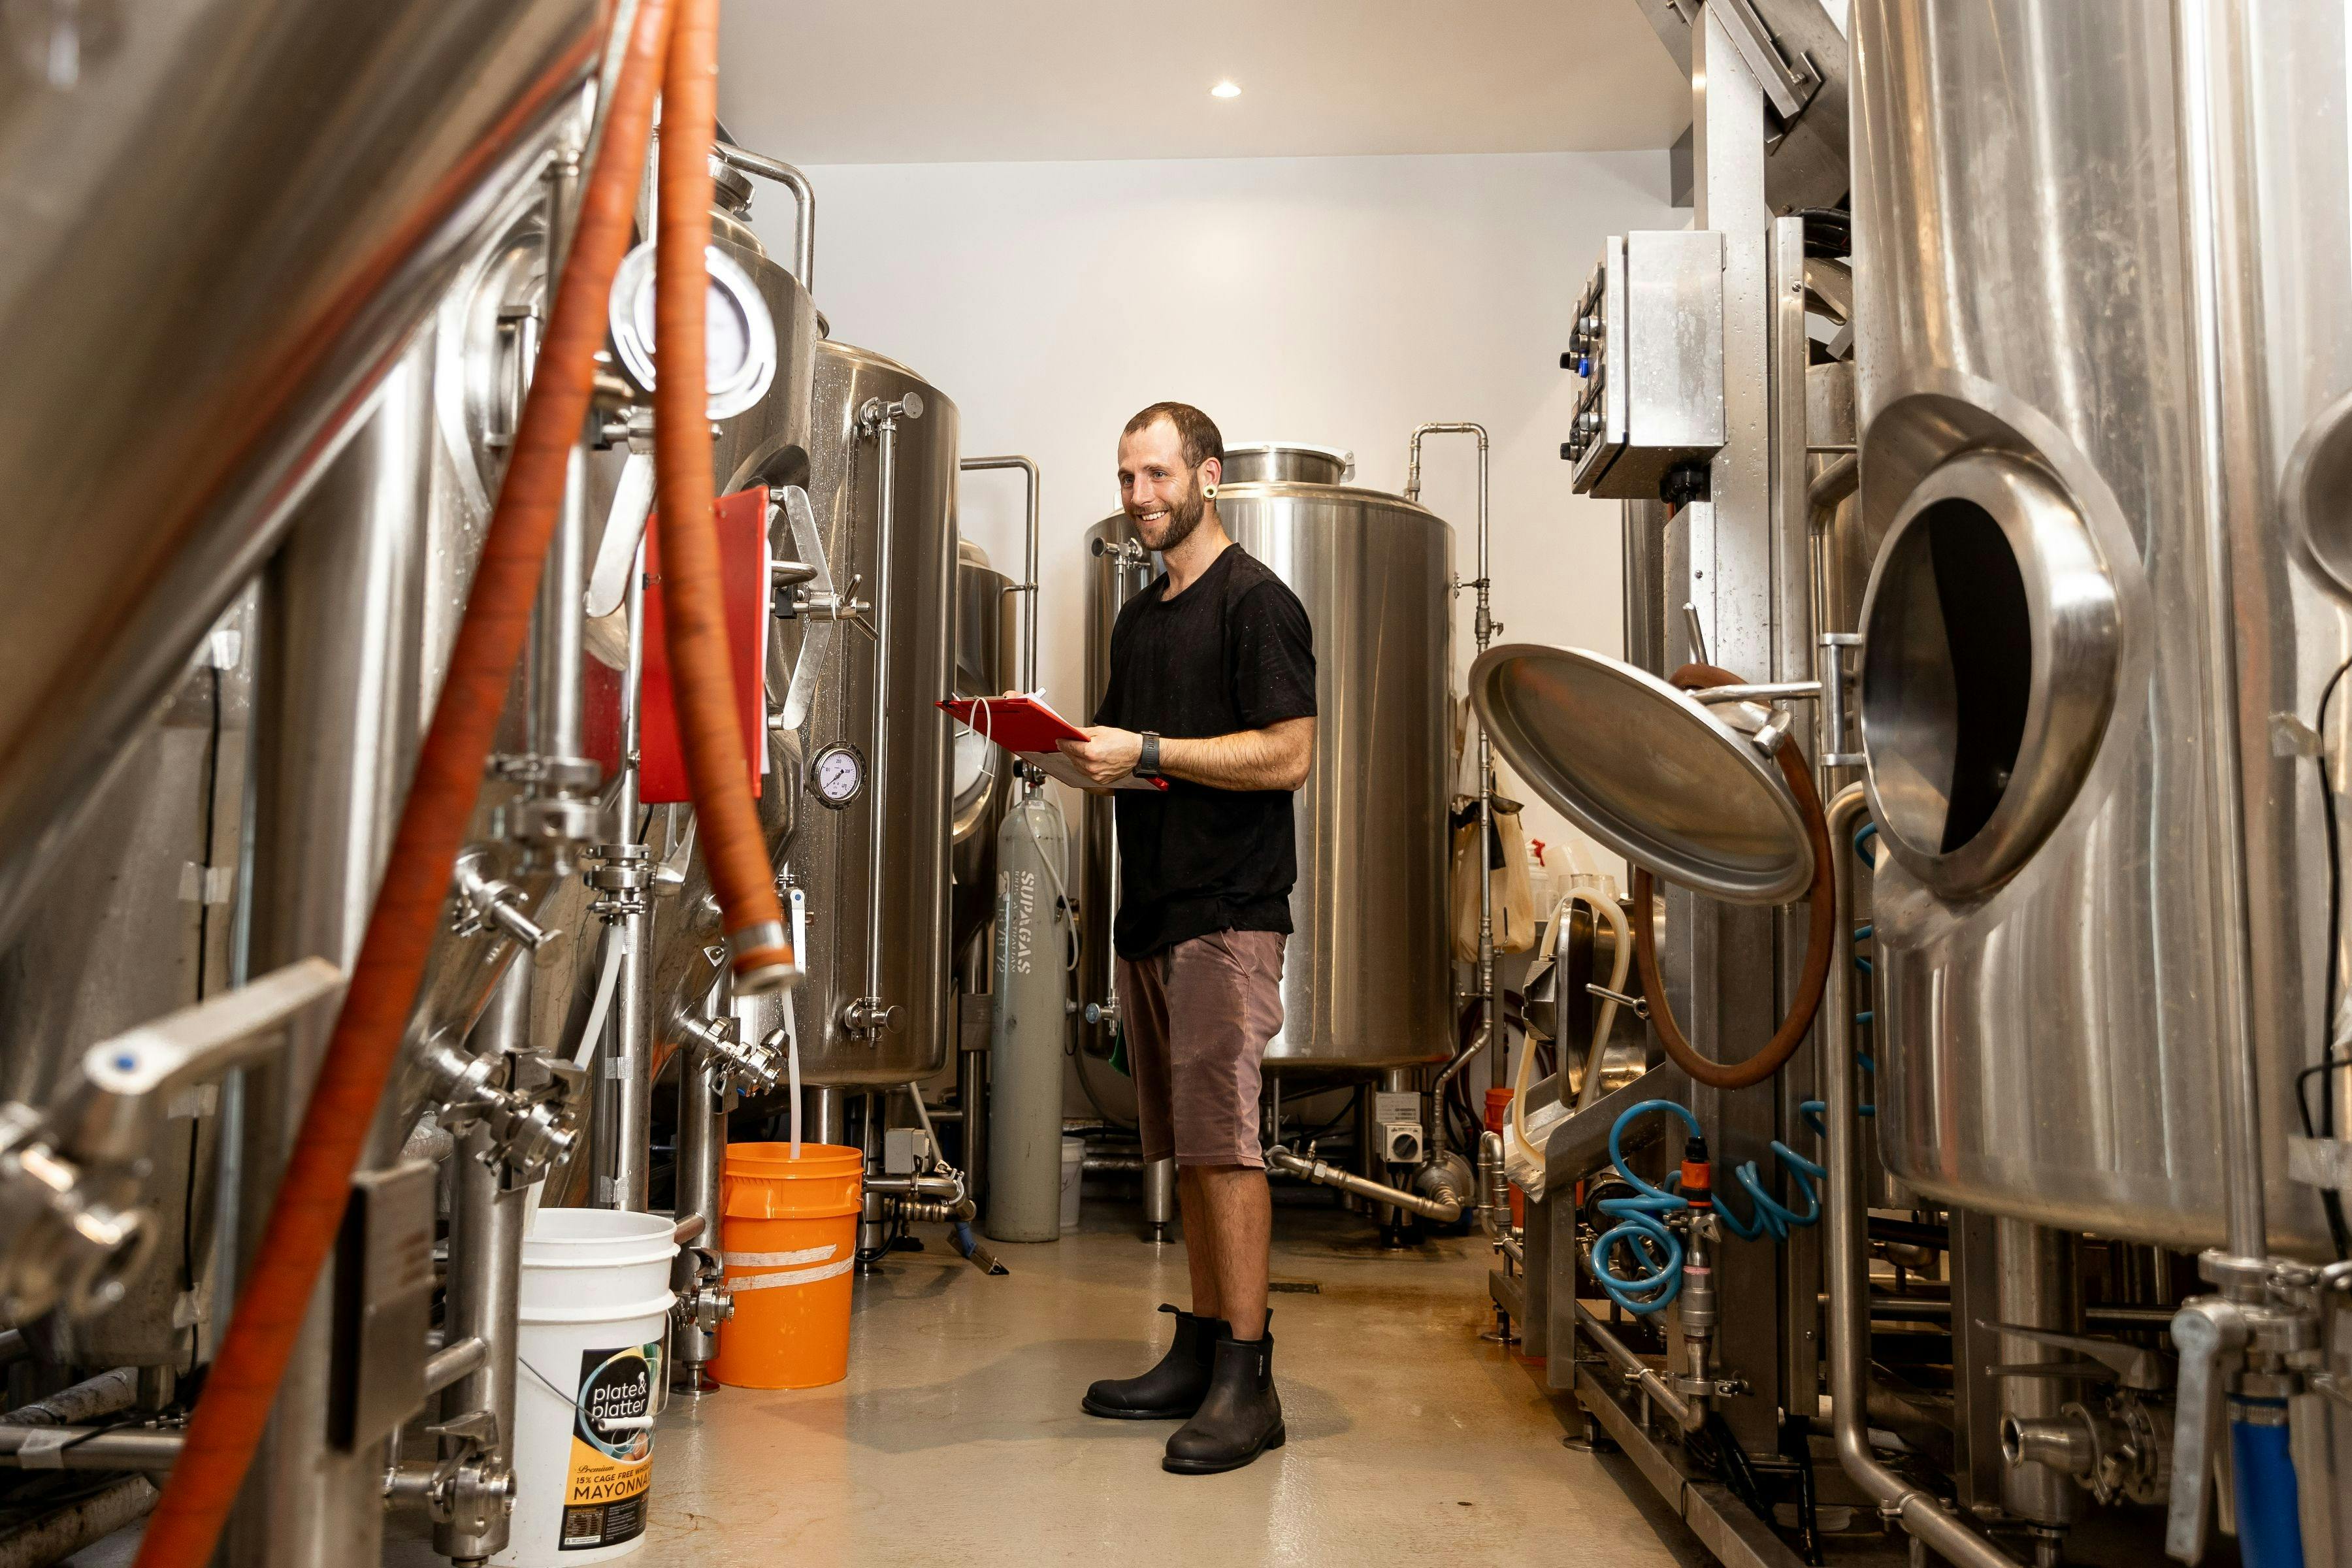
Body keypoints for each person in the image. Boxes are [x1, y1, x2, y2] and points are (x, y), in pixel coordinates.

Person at [1060, 401, 1316, 1475]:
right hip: (1154, 911)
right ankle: (1203, 1346)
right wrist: (1070, 754)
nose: (1139, 498)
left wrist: (1152, 745)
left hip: (1226, 910)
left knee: (1223, 1148)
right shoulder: (1139, 619)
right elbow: (1133, 755)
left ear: (1207, 474)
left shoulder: (1258, 604)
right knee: (1184, 1147)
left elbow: (1289, 753)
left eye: (1157, 476)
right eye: (1126, 478)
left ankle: (1248, 1383)